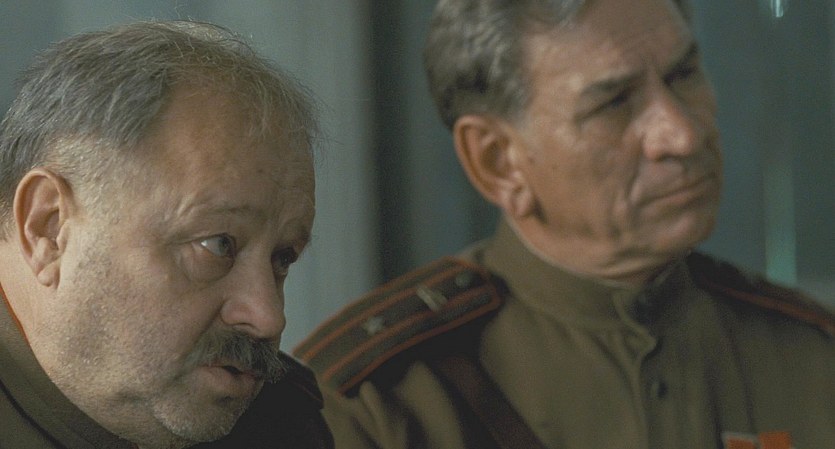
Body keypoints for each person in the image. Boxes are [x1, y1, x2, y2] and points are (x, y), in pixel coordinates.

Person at [294, 0, 835, 448]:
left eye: (683, 74)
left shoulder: (811, 360)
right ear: (497, 161)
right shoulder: (375, 404)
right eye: (614, 104)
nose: (683, 135)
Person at [0, 20, 334, 449]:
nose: (268, 317)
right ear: (48, 227)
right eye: (218, 245)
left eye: (282, 258)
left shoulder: (280, 424)